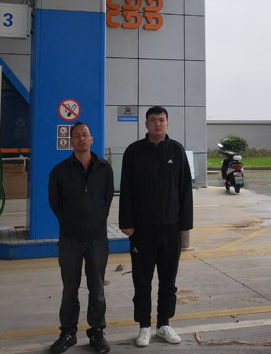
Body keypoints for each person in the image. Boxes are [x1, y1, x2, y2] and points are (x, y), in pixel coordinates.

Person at [119, 106, 193, 347]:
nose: (157, 124)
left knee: (168, 281)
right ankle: (144, 326)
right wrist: (127, 222)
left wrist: (185, 224)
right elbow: (126, 189)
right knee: (142, 281)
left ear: (167, 124)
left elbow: (185, 189)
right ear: (146, 124)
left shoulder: (176, 151)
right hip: (142, 230)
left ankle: (164, 324)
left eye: (161, 120)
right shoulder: (133, 151)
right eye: (153, 120)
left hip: (170, 228)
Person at [48, 122, 114, 354]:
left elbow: (107, 199)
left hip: (97, 239)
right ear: (71, 141)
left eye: (85, 135)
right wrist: (71, 221)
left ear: (91, 139)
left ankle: (97, 332)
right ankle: (68, 332)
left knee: (97, 288)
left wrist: (95, 219)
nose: (82, 139)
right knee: (70, 289)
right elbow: (55, 203)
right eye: (77, 136)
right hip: (70, 239)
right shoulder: (60, 171)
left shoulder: (104, 168)